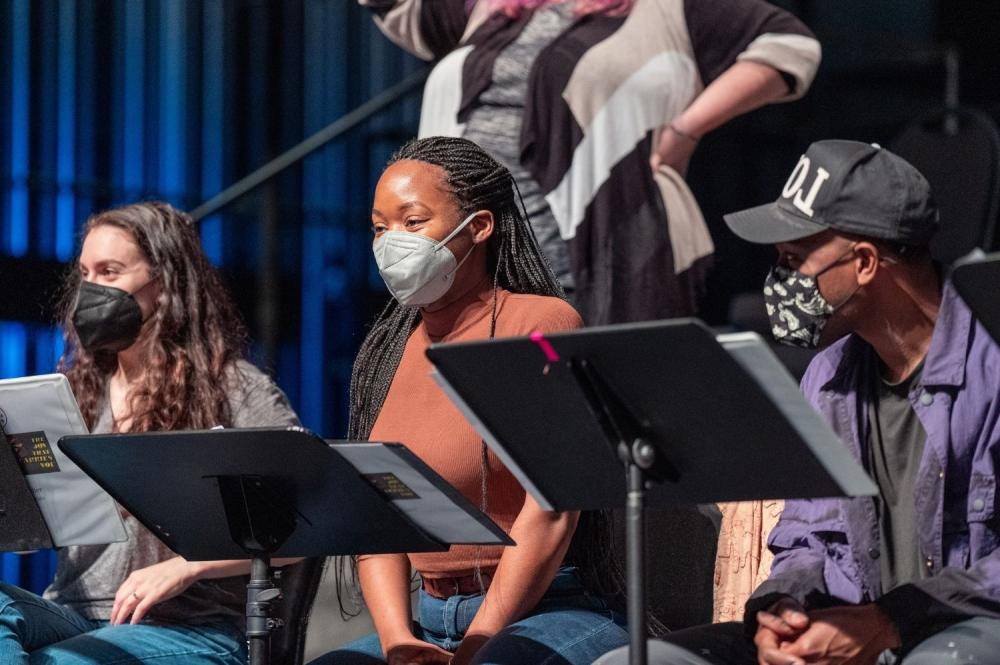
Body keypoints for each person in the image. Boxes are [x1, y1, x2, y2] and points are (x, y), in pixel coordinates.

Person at [596, 140, 1000, 665]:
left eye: (793, 259)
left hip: (961, 626)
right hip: (850, 628)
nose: (779, 281)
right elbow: (805, 536)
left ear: (863, 261)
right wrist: (779, 610)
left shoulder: (989, 357)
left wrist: (891, 621)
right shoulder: (828, 375)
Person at [308, 136, 627, 665]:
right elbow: (380, 512)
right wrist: (398, 644)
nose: (392, 242)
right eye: (380, 228)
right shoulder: (388, 351)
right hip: (429, 621)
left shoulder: (540, 323)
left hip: (548, 609)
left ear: (479, 226)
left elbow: (552, 510)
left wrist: (478, 646)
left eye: (413, 222)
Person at [360, 0, 820, 326]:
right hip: (466, 266)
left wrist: (687, 128)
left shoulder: (667, 9)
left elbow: (789, 46)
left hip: (582, 261)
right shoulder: (492, 8)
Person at [0, 202, 302, 664]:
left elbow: (304, 520)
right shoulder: (77, 391)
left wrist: (188, 567)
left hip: (189, 628)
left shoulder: (233, 387)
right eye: (85, 273)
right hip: (73, 613)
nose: (90, 290)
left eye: (110, 271)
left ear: (163, 284)